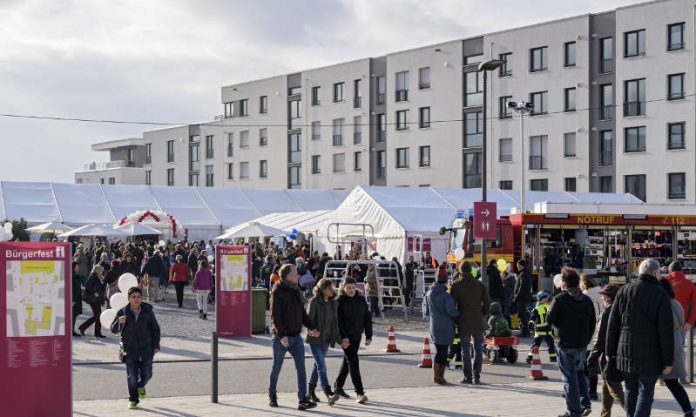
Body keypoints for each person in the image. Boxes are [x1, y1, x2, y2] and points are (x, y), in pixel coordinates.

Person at [606, 258, 674, 417]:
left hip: (624, 351)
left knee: (630, 389)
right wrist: (668, 360)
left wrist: (610, 352)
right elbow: (666, 330)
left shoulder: (624, 290)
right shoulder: (660, 294)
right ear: (656, 273)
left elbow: (613, 324)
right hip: (650, 354)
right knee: (646, 392)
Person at [268, 264, 320, 411]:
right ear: (288, 276)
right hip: (281, 338)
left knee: (301, 368)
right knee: (276, 368)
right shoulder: (277, 291)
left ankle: (302, 400)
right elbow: (275, 316)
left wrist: (312, 327)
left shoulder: (296, 290)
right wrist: (282, 335)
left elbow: (302, 314)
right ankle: (272, 395)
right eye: (296, 273)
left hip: (296, 337)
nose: (298, 275)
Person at [547, 267, 596, 417]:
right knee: (580, 373)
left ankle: (573, 411)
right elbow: (592, 322)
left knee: (569, 379)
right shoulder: (586, 300)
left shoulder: (560, 299)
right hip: (581, 343)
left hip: (564, 344)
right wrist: (587, 339)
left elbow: (549, 319)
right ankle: (584, 403)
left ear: (564, 283)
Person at [110, 287, 161, 410]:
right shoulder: (122, 312)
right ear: (128, 299)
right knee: (131, 376)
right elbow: (113, 329)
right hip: (129, 349)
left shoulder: (147, 312)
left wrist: (156, 345)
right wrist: (119, 322)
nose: (136, 299)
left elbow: (155, 329)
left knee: (147, 374)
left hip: (146, 349)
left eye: (138, 297)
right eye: (133, 297)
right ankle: (133, 399)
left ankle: (140, 386)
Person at [656, 278, 694, 417]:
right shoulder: (676, 303)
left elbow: (666, 329)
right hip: (676, 344)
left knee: (670, 383)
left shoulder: (665, 305)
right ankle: (688, 411)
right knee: (673, 383)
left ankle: (688, 411)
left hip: (666, 347)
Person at [450, 260, 491, 385]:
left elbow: (452, 306)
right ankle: (476, 377)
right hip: (478, 320)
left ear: (461, 271)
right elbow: (487, 302)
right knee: (478, 349)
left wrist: (457, 319)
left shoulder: (456, 286)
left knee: (466, 350)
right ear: (471, 271)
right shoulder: (479, 285)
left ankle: (467, 377)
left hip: (463, 321)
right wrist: (483, 313)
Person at [333, 276, 372, 404]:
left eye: (353, 288)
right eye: (348, 288)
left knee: (348, 361)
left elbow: (367, 317)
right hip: (346, 338)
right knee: (354, 362)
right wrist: (343, 337)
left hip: (357, 336)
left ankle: (338, 386)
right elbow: (338, 322)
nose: (351, 290)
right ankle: (360, 393)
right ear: (343, 288)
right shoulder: (339, 301)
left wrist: (369, 335)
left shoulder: (360, 299)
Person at [587, 284, 625, 417]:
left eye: (602, 297)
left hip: (608, 356)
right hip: (618, 354)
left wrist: (592, 356)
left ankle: (634, 412)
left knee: (615, 389)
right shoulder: (621, 310)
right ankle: (605, 414)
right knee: (606, 387)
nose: (601, 299)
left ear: (607, 298)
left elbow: (600, 338)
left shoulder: (607, 313)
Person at [305, 278, 341, 406]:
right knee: (321, 365)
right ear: (322, 289)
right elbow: (308, 320)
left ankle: (310, 391)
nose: (332, 290)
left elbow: (335, 323)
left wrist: (339, 339)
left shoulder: (334, 303)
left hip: (326, 339)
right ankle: (328, 392)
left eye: (332, 287)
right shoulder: (315, 302)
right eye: (329, 288)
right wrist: (312, 330)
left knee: (317, 365)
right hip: (314, 339)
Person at [423, 264, 460, 385]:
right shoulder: (446, 295)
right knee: (443, 351)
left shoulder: (429, 294)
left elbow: (425, 312)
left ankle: (436, 375)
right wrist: (459, 312)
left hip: (434, 325)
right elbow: (452, 312)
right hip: (446, 326)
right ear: (445, 280)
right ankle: (440, 376)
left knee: (438, 350)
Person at [580, 274, 602, 400]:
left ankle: (583, 390)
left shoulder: (585, 296)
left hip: (587, 334)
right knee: (593, 364)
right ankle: (593, 391)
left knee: (582, 365)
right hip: (599, 334)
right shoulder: (602, 293)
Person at [526, 291, 557, 364]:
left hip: (548, 330)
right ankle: (530, 357)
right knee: (536, 345)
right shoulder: (537, 309)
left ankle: (553, 358)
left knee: (551, 345)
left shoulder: (549, 307)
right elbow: (532, 317)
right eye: (544, 298)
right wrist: (531, 323)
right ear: (540, 299)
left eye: (546, 298)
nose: (546, 299)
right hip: (539, 331)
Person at [667, 261, 696, 337]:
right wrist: (690, 322)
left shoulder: (664, 282)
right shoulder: (689, 284)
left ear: (670, 271)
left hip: (665, 320)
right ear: (681, 270)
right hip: (682, 321)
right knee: (680, 346)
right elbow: (695, 304)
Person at [79, 265, 107, 338]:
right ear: (94, 270)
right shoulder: (92, 277)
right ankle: (84, 328)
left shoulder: (99, 278)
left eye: (100, 270)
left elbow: (102, 290)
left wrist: (103, 281)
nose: (99, 271)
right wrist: (94, 292)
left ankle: (96, 332)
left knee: (98, 316)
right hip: (93, 299)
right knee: (98, 316)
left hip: (97, 300)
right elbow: (87, 286)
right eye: (97, 269)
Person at [514, 260, 533, 338]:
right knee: (523, 314)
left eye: (518, 265)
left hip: (521, 298)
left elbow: (521, 288)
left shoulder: (523, 274)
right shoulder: (525, 273)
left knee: (522, 315)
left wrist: (516, 297)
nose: (517, 267)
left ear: (521, 266)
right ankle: (525, 331)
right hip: (524, 298)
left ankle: (525, 332)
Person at [71, 261, 83, 337]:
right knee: (72, 315)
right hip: (74, 300)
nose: (78, 268)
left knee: (74, 315)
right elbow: (72, 289)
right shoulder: (72, 276)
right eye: (77, 266)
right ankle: (71, 331)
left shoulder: (75, 275)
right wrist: (73, 300)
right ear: (73, 267)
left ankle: (72, 330)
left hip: (76, 299)